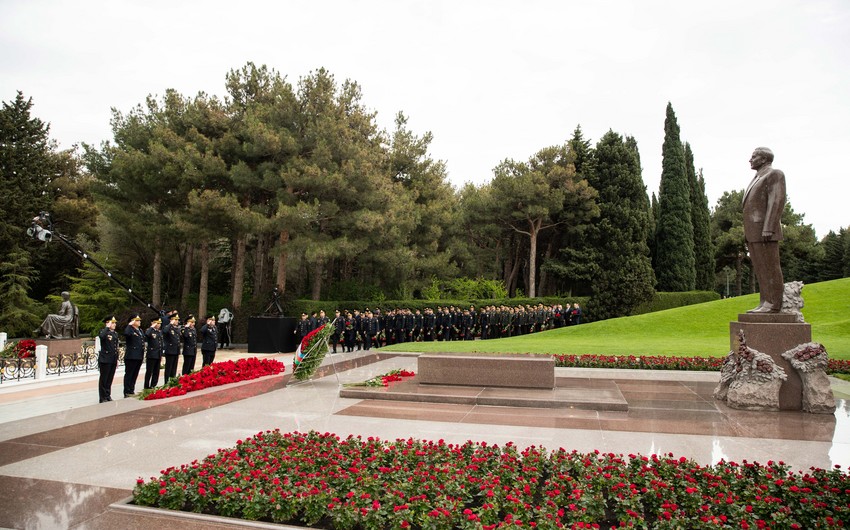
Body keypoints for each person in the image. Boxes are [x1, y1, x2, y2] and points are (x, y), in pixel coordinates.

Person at [744, 147, 786, 313]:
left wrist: (769, 227)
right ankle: (765, 302)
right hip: (754, 232)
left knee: (770, 267)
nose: (750, 159)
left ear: (764, 159)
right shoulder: (757, 177)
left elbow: (776, 201)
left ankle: (774, 304)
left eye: (754, 156)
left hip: (765, 231)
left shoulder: (775, 174)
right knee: (761, 269)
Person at [97, 315, 119, 403]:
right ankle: (102, 397)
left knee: (110, 378)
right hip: (105, 359)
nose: (114, 324)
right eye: (112, 323)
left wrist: (116, 359)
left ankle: (107, 395)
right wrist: (107, 327)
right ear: (107, 323)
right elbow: (101, 337)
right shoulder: (103, 332)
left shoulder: (115, 333)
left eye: (114, 323)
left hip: (113, 359)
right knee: (104, 379)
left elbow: (115, 347)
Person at [122, 314, 145, 397]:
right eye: (137, 320)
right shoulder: (130, 330)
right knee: (129, 374)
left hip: (138, 355)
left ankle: (131, 390)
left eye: (139, 320)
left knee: (135, 374)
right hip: (131, 356)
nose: (139, 322)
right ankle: (127, 391)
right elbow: (126, 333)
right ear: (133, 321)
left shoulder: (140, 330)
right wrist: (129, 325)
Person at [144, 317, 163, 389]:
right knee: (149, 371)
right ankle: (146, 386)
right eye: (157, 323)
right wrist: (151, 327)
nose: (159, 325)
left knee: (156, 371)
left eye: (159, 323)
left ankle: (153, 385)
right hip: (151, 354)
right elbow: (146, 335)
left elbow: (160, 343)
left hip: (158, 354)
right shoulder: (149, 331)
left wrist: (161, 354)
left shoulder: (159, 332)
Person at [162, 313, 182, 380]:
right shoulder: (167, 327)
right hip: (170, 351)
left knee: (174, 368)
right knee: (169, 368)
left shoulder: (176, 328)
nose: (177, 321)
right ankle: (166, 381)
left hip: (176, 350)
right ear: (171, 320)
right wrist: (170, 324)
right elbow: (164, 331)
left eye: (177, 320)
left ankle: (172, 380)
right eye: (175, 319)